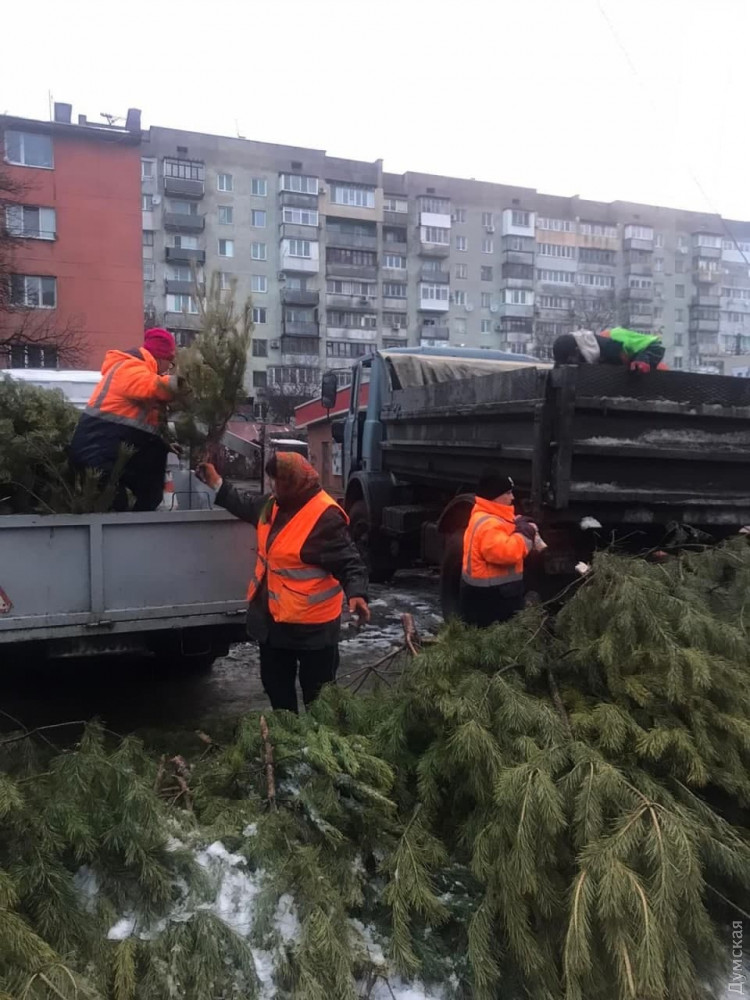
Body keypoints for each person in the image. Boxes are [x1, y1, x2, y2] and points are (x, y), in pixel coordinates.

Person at [197, 452, 370, 712]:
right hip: (274, 623)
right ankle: (287, 736)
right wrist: (216, 482)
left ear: (296, 482)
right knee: (276, 686)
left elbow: (350, 562)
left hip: (313, 629)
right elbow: (244, 505)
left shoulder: (324, 517)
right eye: (273, 481)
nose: (274, 487)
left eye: (279, 482)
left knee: (319, 694)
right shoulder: (274, 504)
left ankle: (320, 745)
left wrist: (357, 594)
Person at [69, 328, 179, 511]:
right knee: (115, 503)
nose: (170, 367)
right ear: (161, 357)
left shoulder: (141, 370)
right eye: (171, 362)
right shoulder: (129, 367)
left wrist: (166, 443)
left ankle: (139, 529)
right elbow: (149, 387)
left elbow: (143, 425)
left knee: (153, 477)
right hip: (95, 452)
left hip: (110, 451)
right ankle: (128, 535)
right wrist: (178, 384)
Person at [459, 469, 540, 628]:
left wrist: (517, 523)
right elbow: (506, 553)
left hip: (486, 597)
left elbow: (503, 529)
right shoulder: (489, 524)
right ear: (494, 496)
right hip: (493, 600)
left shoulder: (486, 516)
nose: (513, 497)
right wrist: (525, 536)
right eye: (508, 493)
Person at [552, 327, 666, 372]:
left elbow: (655, 345)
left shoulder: (615, 337)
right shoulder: (592, 356)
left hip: (656, 379)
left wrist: (643, 359)